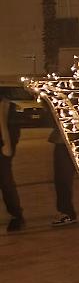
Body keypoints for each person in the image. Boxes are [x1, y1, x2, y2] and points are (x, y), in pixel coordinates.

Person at [0, 96, 23, 232]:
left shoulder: (6, 104)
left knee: (6, 182)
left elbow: (7, 126)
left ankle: (16, 215)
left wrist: (7, 145)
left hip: (3, 147)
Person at [49, 120, 76, 226]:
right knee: (62, 178)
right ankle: (66, 212)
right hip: (65, 138)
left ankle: (66, 212)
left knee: (62, 178)